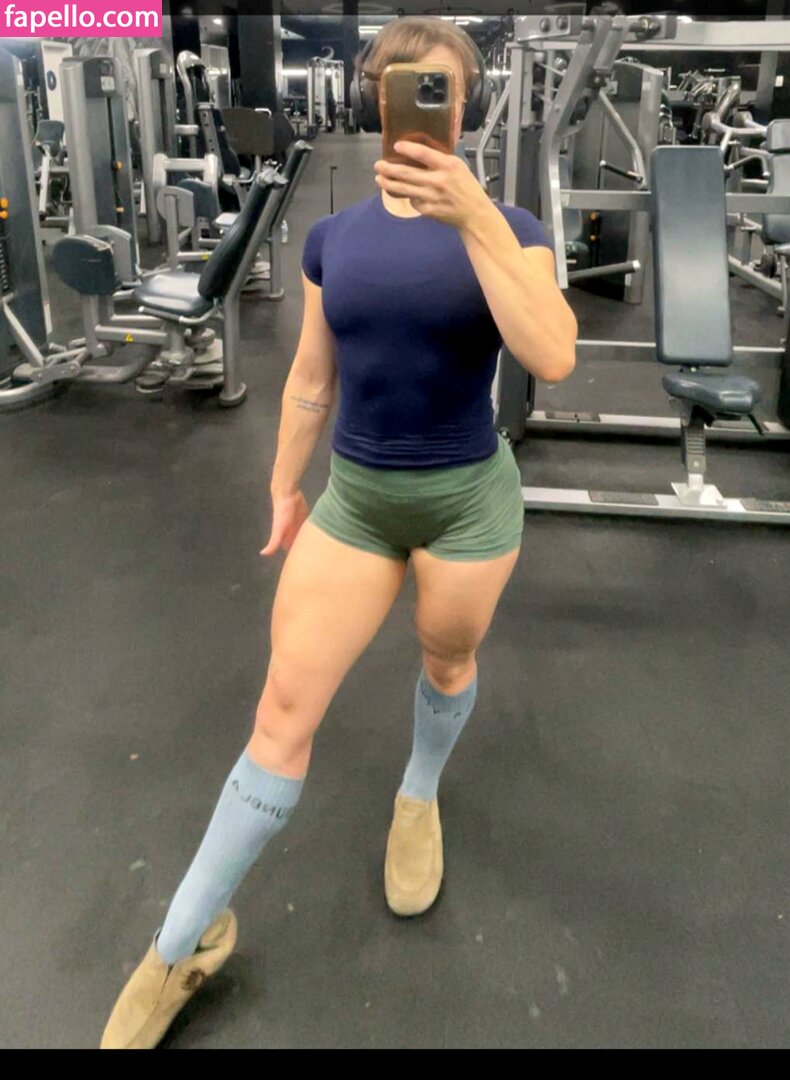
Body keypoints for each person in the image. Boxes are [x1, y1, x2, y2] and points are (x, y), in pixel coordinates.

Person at [100, 16, 577, 1050]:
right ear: (377, 102)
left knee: (446, 662)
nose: (419, 108)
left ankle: (417, 795)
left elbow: (550, 353)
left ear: (466, 106)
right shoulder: (334, 239)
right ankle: (179, 946)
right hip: (356, 502)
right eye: (403, 88)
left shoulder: (515, 227)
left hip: (467, 502)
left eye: (439, 89)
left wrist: (476, 219)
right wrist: (283, 486)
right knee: (281, 708)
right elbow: (312, 378)